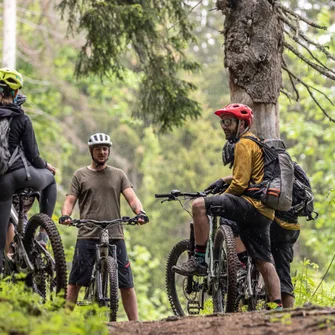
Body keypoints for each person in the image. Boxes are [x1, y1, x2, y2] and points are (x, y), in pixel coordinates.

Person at [173, 103, 283, 309]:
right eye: (222, 122)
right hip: (264, 210)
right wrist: (223, 180)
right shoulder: (256, 143)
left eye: (229, 122)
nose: (224, 126)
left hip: (249, 204)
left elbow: (241, 183)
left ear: (242, 124)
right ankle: (276, 306)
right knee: (264, 260)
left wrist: (223, 195)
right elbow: (249, 175)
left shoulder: (243, 144)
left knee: (199, 206)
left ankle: (199, 260)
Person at [59, 133, 149, 321]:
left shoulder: (118, 174)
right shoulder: (80, 175)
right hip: (88, 234)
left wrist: (139, 212)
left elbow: (132, 198)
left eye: (105, 149)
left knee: (126, 282)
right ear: (91, 151)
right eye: (98, 149)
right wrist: (66, 216)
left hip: (115, 233)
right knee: (75, 281)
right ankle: (64, 321)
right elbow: (69, 200)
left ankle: (135, 324)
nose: (102, 152)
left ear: (109, 151)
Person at [0, 67, 57, 268]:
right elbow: (33, 156)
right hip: (23, 175)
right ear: (15, 93)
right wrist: (47, 167)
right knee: (50, 180)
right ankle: (43, 235)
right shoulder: (22, 119)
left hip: (3, 183)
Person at [271, 212, 300, 308]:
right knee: (283, 274)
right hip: (288, 226)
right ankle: (288, 317)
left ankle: (242, 263)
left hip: (266, 221)